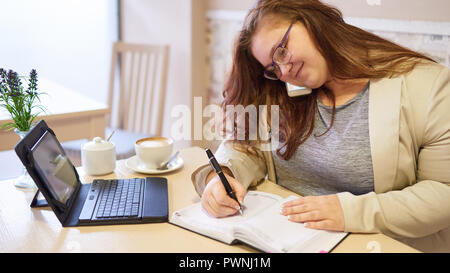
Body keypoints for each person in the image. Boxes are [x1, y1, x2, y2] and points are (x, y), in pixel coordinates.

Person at [191, 0, 450, 252]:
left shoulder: (428, 86)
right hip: (283, 239)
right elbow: (248, 148)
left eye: (281, 50)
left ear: (311, 19)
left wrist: (348, 212)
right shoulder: (286, 88)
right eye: (273, 68)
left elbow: (443, 194)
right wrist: (221, 176)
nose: (284, 70)